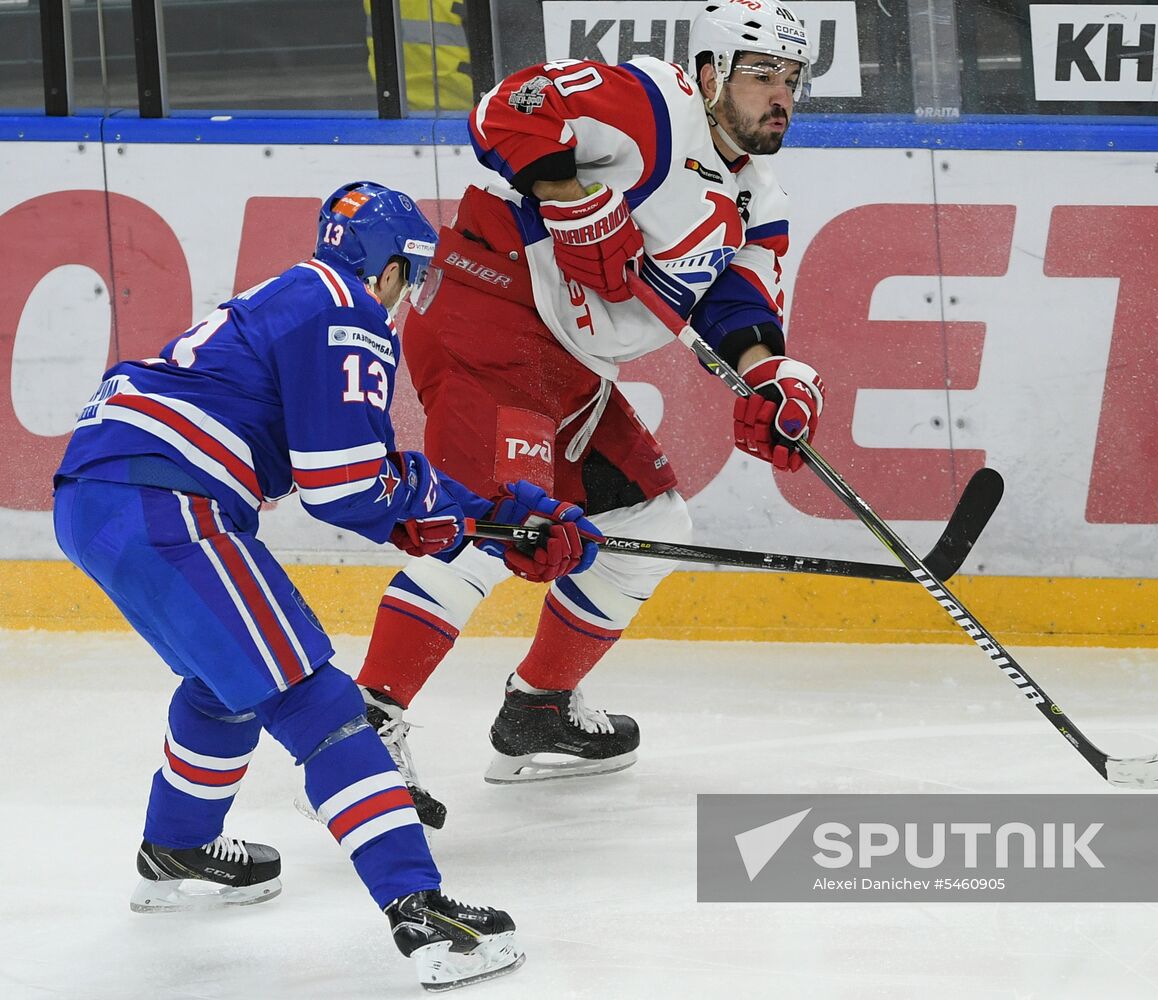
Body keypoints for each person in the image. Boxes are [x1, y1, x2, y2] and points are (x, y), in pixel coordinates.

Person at [52, 181, 599, 991]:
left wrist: (478, 515)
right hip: (165, 504)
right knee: (320, 705)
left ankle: (178, 844)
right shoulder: (347, 307)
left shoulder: (298, 294)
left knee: (226, 685)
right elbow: (346, 487)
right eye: (408, 274)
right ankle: (422, 913)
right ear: (386, 265)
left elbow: (367, 485)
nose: (407, 295)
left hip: (101, 498)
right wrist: (471, 518)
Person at [351, 0, 826, 818]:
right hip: (490, 313)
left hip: (565, 363)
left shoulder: (761, 198)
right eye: (759, 75)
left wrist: (770, 376)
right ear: (711, 74)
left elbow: (736, 305)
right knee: (494, 526)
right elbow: (507, 110)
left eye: (790, 80)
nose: (778, 95)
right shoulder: (650, 106)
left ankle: (538, 709)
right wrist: (567, 193)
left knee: (653, 519)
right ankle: (362, 731)